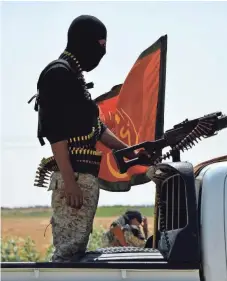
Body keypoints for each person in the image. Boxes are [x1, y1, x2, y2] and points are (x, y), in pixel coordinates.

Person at [30, 15, 147, 262]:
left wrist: (130, 150)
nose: (102, 53)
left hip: (84, 176)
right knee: (68, 253)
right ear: (84, 41)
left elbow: (97, 128)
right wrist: (70, 182)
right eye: (100, 45)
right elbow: (55, 133)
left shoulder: (74, 77)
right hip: (74, 177)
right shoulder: (58, 74)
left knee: (76, 251)